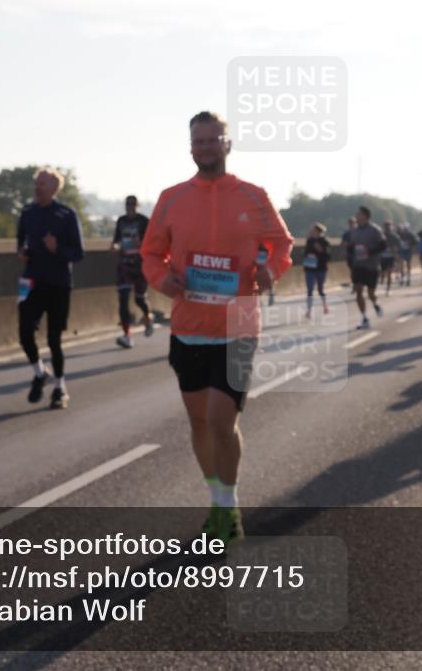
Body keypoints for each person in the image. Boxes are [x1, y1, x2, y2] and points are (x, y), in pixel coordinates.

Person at [141, 111, 293, 547]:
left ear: (228, 144)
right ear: (191, 147)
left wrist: (270, 269)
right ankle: (217, 500)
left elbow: (281, 245)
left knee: (220, 419)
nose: (206, 147)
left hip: (239, 323)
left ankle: (230, 506)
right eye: (199, 141)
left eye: (213, 140)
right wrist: (161, 279)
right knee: (199, 423)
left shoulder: (252, 195)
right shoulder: (172, 198)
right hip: (188, 324)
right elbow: (152, 253)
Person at [17, 167, 85, 410]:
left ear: (55, 188)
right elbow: (20, 242)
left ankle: (60, 388)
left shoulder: (66, 215)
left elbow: (78, 253)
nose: (38, 187)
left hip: (58, 284)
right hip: (31, 282)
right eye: (36, 183)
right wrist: (22, 253)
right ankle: (39, 372)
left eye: (43, 183)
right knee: (24, 333)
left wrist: (57, 249)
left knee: (54, 339)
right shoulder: (27, 213)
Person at [112, 195, 154, 348]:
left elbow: (153, 242)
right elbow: (116, 240)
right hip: (124, 264)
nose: (130, 206)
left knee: (139, 299)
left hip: (140, 264)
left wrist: (140, 243)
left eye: (132, 204)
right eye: (127, 204)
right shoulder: (121, 221)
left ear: (137, 205)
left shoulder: (144, 221)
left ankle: (148, 318)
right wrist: (115, 247)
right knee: (123, 299)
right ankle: (126, 335)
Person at [348, 206, 386, 329]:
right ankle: (364, 318)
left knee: (370, 294)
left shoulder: (375, 230)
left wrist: (369, 252)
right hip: (358, 266)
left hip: (372, 266)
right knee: (358, 291)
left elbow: (383, 246)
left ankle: (375, 304)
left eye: (358, 214)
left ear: (365, 216)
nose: (356, 217)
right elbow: (351, 246)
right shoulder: (354, 231)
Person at [303, 223, 330, 318]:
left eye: (313, 230)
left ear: (318, 232)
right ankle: (309, 310)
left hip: (321, 268)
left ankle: (325, 306)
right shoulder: (309, 241)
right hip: (309, 268)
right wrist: (307, 256)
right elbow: (305, 252)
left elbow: (328, 256)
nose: (311, 232)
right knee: (309, 289)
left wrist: (320, 250)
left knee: (320, 289)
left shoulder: (325, 241)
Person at [380, 220, 401, 295]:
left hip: (391, 257)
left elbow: (399, 246)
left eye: (389, 226)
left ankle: (388, 289)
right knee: (383, 273)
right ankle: (382, 278)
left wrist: (396, 253)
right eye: (386, 226)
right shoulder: (380, 235)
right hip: (382, 257)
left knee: (389, 273)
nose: (388, 228)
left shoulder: (395, 236)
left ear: (392, 227)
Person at [341, 217, 356, 290]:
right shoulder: (346, 234)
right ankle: (354, 284)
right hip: (350, 254)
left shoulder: (359, 232)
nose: (352, 225)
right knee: (352, 270)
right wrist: (344, 252)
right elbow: (343, 244)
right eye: (350, 223)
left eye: (353, 223)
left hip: (359, 255)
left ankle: (358, 284)